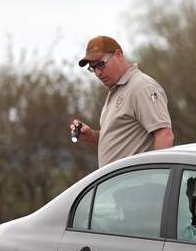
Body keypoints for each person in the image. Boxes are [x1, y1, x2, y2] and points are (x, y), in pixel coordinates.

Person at [70, 36, 174, 167]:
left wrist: (159, 180)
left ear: (118, 55)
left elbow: (164, 135)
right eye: (93, 68)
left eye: (101, 65)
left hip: (139, 184)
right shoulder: (117, 90)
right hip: (121, 185)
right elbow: (122, 143)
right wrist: (91, 136)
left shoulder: (141, 87)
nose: (98, 73)